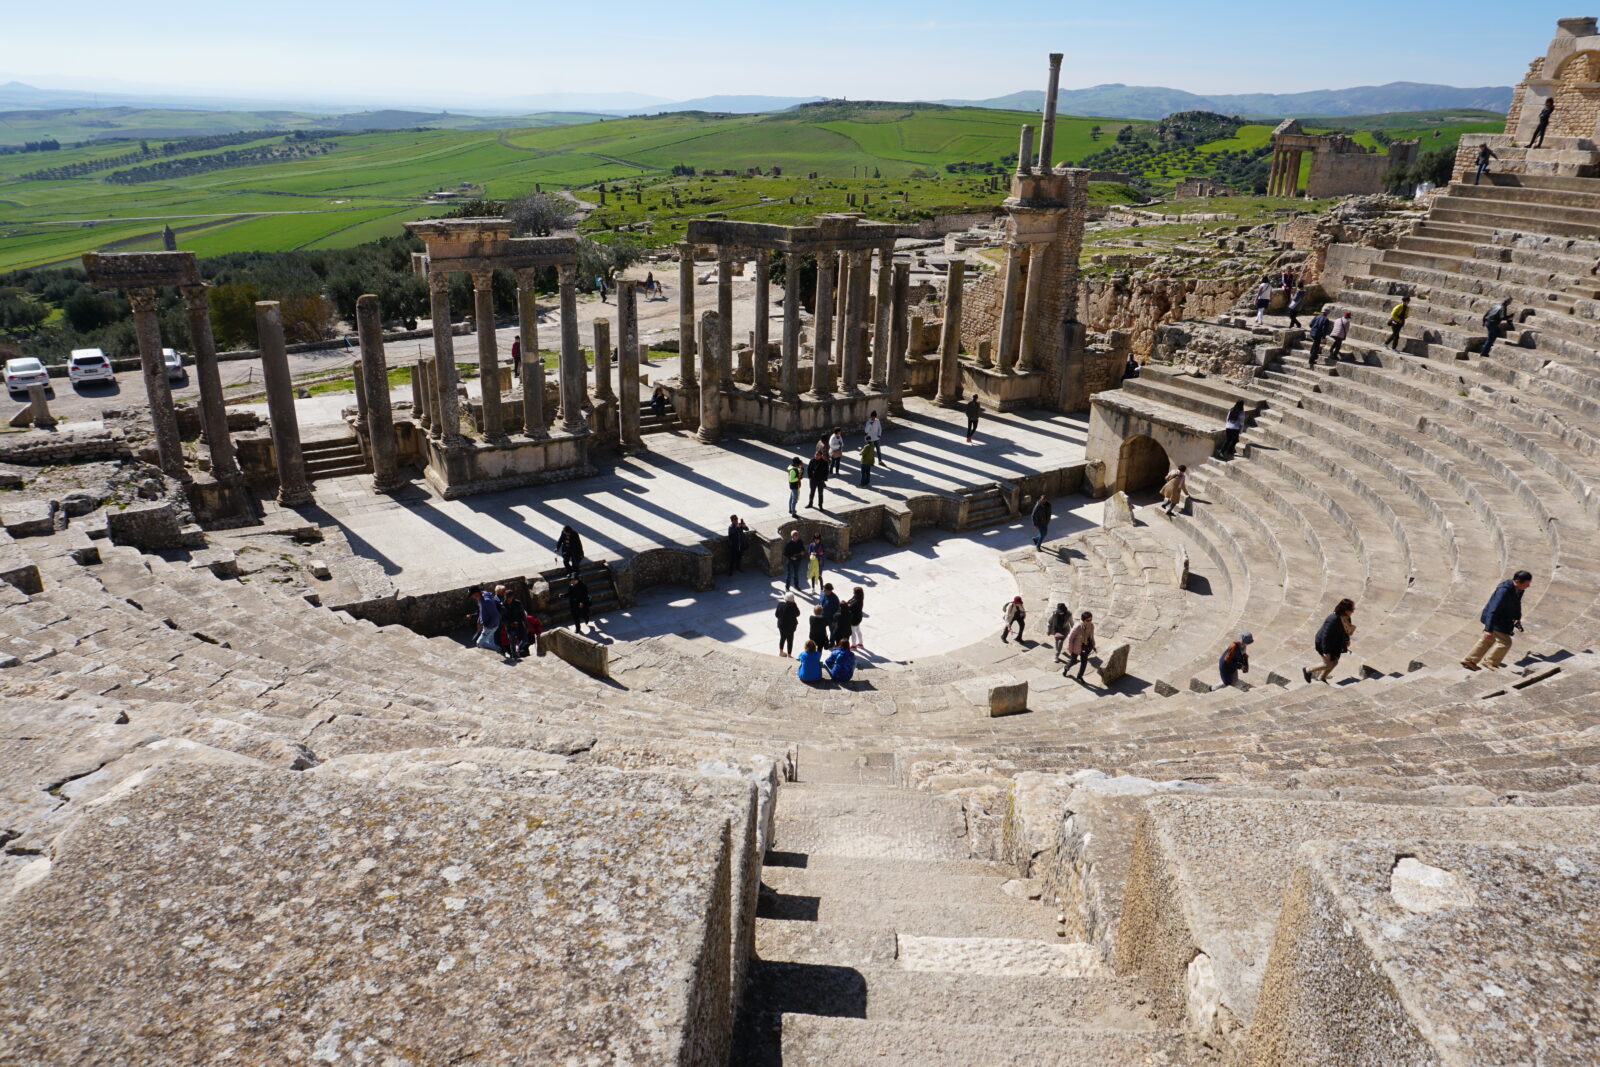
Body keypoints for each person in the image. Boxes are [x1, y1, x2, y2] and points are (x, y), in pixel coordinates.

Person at [1462, 570, 1532, 671]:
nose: (1528, 586)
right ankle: (1490, 661)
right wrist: (1488, 629)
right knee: (1505, 642)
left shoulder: (1519, 589)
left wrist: (1517, 617)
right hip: (1496, 619)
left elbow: (1517, 603)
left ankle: (1470, 660)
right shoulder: (1503, 590)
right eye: (1527, 584)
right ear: (1517, 581)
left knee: (1487, 641)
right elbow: (1493, 609)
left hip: (1502, 619)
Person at [1304, 598, 1354, 684]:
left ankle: (1322, 678)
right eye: (1351, 609)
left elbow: (1347, 630)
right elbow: (1325, 636)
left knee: (1334, 662)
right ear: (1345, 610)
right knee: (1327, 664)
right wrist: (1326, 652)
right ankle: (1308, 670)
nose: (1353, 611)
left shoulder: (1346, 618)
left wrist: (1347, 640)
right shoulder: (1332, 619)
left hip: (1334, 643)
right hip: (1323, 643)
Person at [1062, 610, 1096, 682]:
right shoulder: (1078, 626)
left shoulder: (1091, 625)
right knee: (1073, 660)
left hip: (1085, 646)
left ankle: (1079, 676)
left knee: (1084, 662)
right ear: (1083, 620)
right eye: (1088, 620)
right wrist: (1070, 648)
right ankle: (1066, 668)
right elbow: (1070, 638)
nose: (1090, 621)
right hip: (1076, 647)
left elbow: (1091, 636)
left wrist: (1093, 644)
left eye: (1091, 619)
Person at [499, 584, 529, 662]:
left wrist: (526, 624)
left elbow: (522, 614)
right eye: (507, 597)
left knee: (525, 639)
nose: (509, 599)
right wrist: (509, 624)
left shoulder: (518, 603)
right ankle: (514, 656)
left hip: (519, 624)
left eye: (510, 597)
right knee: (512, 641)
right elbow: (502, 619)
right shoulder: (502, 606)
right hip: (510, 626)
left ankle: (519, 649)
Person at [470, 588, 502, 653]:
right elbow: (481, 611)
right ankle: (498, 650)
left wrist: (488, 626)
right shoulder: (480, 597)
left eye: (471, 595)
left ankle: (498, 648)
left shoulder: (487, 601)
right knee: (490, 641)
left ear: (476, 593)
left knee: (479, 643)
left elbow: (495, 615)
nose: (471, 597)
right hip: (490, 625)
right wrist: (479, 621)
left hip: (490, 626)